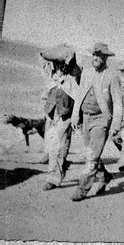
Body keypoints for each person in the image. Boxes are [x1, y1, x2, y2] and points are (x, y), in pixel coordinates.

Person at [70, 43, 123, 201]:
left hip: (101, 119)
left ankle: (82, 188)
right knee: (91, 152)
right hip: (86, 117)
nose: (95, 58)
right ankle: (103, 176)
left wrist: (116, 125)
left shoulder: (112, 76)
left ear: (105, 57)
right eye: (93, 55)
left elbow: (118, 102)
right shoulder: (87, 73)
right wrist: (75, 115)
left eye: (99, 55)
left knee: (92, 155)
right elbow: (80, 95)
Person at [40, 44, 81, 190]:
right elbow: (44, 55)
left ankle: (53, 178)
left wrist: (76, 115)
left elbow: (78, 96)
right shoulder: (52, 74)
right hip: (52, 112)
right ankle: (61, 167)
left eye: (61, 63)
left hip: (65, 115)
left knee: (58, 146)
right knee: (53, 145)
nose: (59, 66)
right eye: (57, 63)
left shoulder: (73, 75)